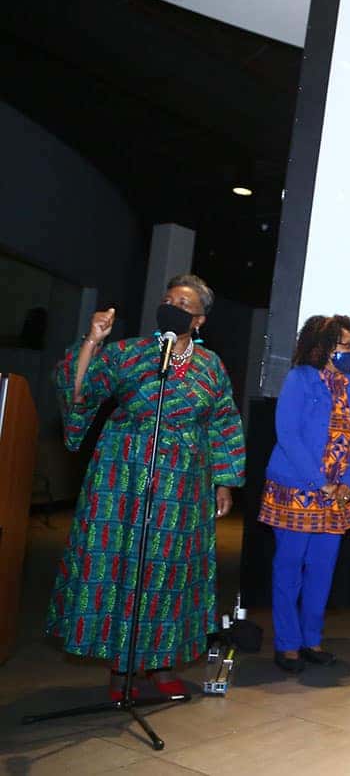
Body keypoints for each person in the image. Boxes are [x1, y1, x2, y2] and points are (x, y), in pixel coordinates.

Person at [47, 274, 245, 698]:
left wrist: (225, 481)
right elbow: (79, 393)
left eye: (183, 302)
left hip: (184, 485)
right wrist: (92, 342)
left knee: (168, 573)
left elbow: (223, 422)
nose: (172, 305)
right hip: (124, 478)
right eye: (168, 298)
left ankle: (160, 664)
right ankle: (121, 670)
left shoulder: (211, 367)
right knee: (124, 567)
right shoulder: (131, 353)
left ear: (200, 319)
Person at [259, 315, 350, 673]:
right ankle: (287, 643)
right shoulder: (300, 379)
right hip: (297, 489)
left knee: (321, 569)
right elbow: (287, 434)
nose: (348, 351)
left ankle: (311, 640)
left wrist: (348, 483)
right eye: (341, 344)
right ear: (320, 346)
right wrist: (320, 481)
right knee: (290, 567)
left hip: (336, 496)